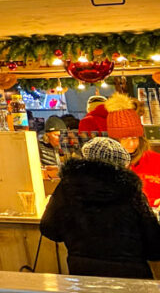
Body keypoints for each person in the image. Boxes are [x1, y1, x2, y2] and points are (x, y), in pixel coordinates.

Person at [41, 136, 160, 278]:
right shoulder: (130, 191)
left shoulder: (67, 187)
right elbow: (154, 246)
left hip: (83, 273)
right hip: (130, 276)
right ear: (123, 164)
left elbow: (49, 228)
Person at [106, 94, 160, 205]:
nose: (131, 143)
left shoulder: (155, 160)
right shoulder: (105, 166)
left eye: (135, 137)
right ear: (114, 140)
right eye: (124, 138)